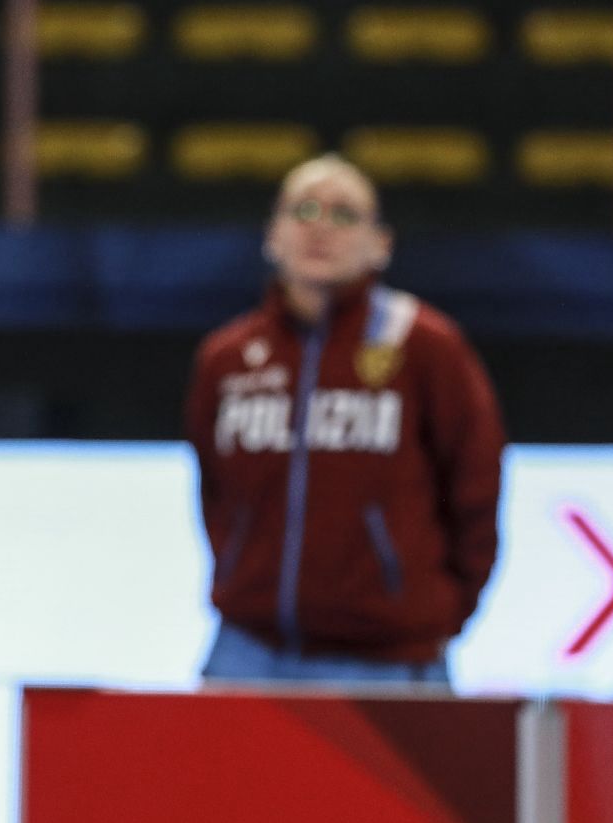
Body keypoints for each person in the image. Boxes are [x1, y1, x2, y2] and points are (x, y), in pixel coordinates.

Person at [183, 155, 506, 686]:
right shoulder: (228, 357)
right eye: (303, 209)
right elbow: (215, 492)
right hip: (247, 649)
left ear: (381, 243)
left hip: (388, 660)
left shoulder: (424, 346)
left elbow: (475, 488)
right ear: (272, 235)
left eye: (344, 214)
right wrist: (244, 576)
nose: (320, 227)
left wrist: (433, 614)